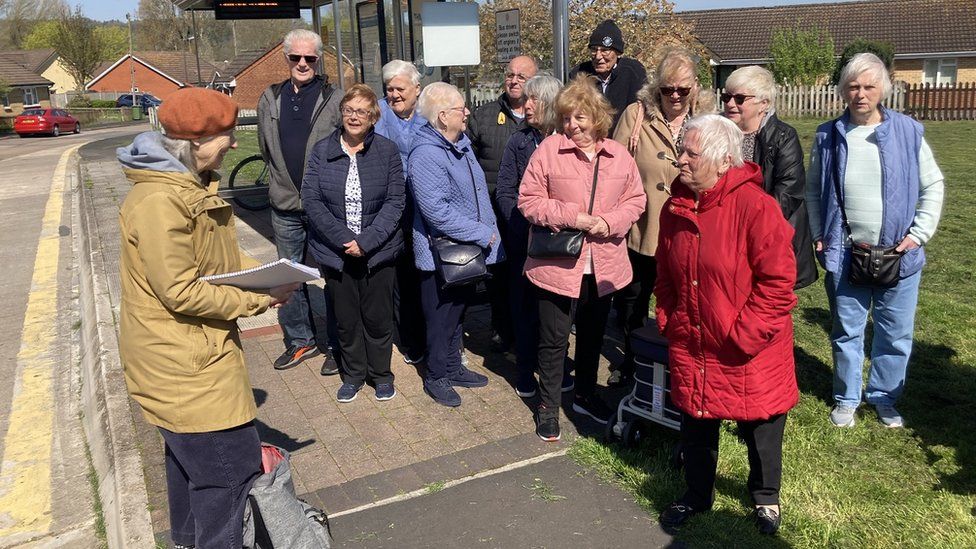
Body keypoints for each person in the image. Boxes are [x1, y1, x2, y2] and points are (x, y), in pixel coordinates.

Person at [117, 88, 298, 548]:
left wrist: (268, 275)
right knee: (229, 479)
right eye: (227, 135)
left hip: (186, 361)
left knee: (189, 470)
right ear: (196, 142)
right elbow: (181, 290)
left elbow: (219, 263)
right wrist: (259, 300)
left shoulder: (189, 188)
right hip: (188, 369)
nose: (235, 145)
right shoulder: (163, 202)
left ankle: (187, 542)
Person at [655, 114, 798, 536]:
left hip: (748, 344)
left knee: (761, 425)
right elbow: (665, 271)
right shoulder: (675, 206)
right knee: (696, 421)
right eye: (682, 151)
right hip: (693, 337)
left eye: (690, 153)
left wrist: (746, 335)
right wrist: (669, 314)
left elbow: (778, 281)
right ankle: (697, 495)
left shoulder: (757, 207)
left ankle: (765, 497)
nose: (680, 159)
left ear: (722, 162)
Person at [807, 53, 944, 429]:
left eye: (869, 86)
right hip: (846, 252)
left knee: (895, 332)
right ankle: (847, 398)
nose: (861, 94)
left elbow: (933, 185)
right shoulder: (828, 135)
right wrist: (819, 234)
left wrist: (918, 235)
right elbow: (814, 192)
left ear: (884, 88)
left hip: (898, 255)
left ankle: (884, 397)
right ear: (842, 90)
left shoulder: (907, 132)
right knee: (846, 332)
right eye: (853, 86)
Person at [518, 75, 646, 441]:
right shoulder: (548, 150)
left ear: (597, 118)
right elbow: (528, 200)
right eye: (567, 118)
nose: (572, 125)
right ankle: (547, 405)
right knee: (554, 338)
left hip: (603, 263)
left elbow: (635, 200)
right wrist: (573, 217)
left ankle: (586, 395)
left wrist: (610, 222)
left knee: (591, 335)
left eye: (579, 118)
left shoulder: (619, 155)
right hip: (557, 263)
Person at [609, 48, 712, 388]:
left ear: (695, 87)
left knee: (687, 303)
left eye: (684, 89)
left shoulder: (708, 119)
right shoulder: (636, 115)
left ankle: (681, 366)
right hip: (643, 227)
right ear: (658, 88)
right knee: (633, 301)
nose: (677, 96)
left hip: (690, 231)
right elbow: (615, 168)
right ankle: (630, 359)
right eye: (669, 89)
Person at [302, 84, 405, 403]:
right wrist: (345, 239)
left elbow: (395, 200)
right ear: (341, 113)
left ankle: (381, 374)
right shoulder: (322, 150)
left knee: (378, 318)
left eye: (362, 111)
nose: (354, 117)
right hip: (338, 254)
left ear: (374, 117)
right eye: (349, 110)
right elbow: (311, 199)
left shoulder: (386, 151)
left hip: (378, 252)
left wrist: (367, 241)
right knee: (346, 319)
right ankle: (354, 374)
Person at [409, 82, 503, 407]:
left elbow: (477, 195)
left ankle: (453, 366)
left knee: (458, 314)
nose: (467, 113)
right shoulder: (426, 155)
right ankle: (436, 376)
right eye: (461, 108)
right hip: (441, 256)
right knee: (440, 319)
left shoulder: (459, 143)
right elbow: (436, 211)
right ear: (442, 115)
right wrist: (481, 233)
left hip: (465, 252)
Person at [257, 28, 342, 373]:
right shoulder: (269, 97)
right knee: (288, 276)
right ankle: (301, 342)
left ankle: (339, 345)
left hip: (325, 205)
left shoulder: (334, 97)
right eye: (296, 58)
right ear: (287, 58)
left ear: (318, 59)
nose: (303, 63)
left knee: (335, 275)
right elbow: (265, 147)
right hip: (284, 205)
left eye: (310, 58)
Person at [495, 74, 563, 398]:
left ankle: (553, 368)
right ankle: (524, 370)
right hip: (525, 240)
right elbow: (505, 191)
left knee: (554, 313)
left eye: (534, 99)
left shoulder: (569, 141)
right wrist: (524, 224)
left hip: (562, 241)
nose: (527, 104)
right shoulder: (518, 141)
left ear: (549, 103)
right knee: (523, 308)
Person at [722, 65, 818, 289]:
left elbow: (788, 190)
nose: (730, 104)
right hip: (724, 235)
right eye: (727, 96)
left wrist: (750, 227)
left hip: (768, 236)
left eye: (739, 98)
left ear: (764, 103)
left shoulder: (784, 136)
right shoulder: (717, 132)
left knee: (767, 306)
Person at [468, 55, 539, 352]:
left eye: (522, 77)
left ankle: (530, 330)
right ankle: (501, 328)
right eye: (510, 75)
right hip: (495, 214)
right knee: (498, 275)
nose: (513, 80)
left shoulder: (545, 118)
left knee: (529, 274)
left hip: (534, 215)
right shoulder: (483, 116)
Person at [374, 59, 428, 365]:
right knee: (403, 275)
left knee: (427, 273)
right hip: (393, 206)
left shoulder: (431, 111)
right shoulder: (378, 113)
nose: (394, 94)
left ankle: (436, 335)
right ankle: (410, 340)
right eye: (389, 88)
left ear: (417, 89)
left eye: (400, 88)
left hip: (426, 206)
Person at [570, 19, 647, 131]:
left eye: (605, 50)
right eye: (594, 50)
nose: (598, 56)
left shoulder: (633, 72)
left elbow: (644, 107)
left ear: (617, 52)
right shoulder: (579, 73)